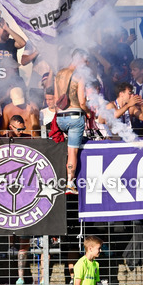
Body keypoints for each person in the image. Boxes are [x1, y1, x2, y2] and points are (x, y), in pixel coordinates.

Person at [53, 50, 90, 192]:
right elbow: (81, 101)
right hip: (75, 116)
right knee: (73, 152)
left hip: (61, 117)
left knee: (67, 149)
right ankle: (70, 183)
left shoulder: (59, 74)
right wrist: (87, 112)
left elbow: (56, 100)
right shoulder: (80, 76)